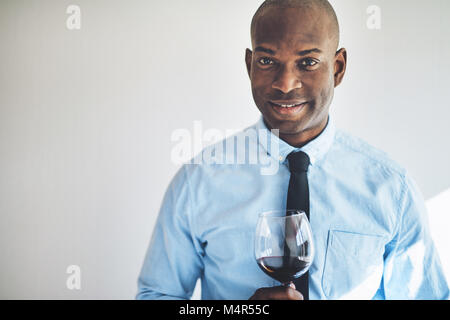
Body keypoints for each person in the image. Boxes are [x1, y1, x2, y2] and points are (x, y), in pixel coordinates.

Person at [136, 0, 449, 300]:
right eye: (267, 61)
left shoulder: (392, 190)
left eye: (308, 62)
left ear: (337, 68)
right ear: (249, 65)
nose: (285, 84)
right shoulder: (198, 182)